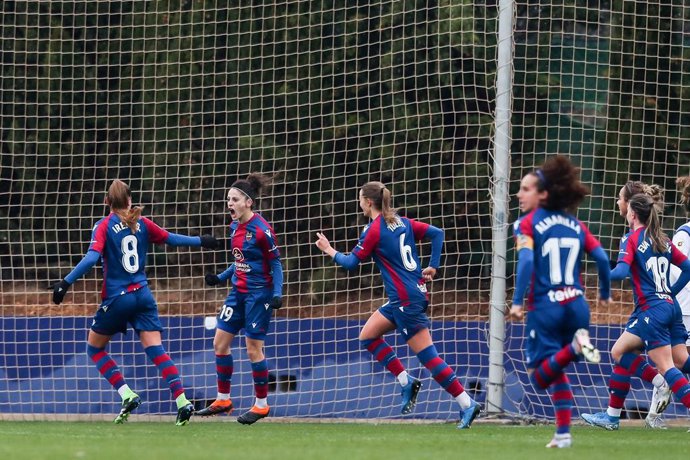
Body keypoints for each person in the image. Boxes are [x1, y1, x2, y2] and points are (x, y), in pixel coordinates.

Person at [51, 179, 219, 425]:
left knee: (94, 348)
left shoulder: (104, 225)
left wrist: (64, 283)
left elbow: (91, 258)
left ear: (106, 202)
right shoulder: (141, 222)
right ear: (129, 200)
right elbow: (170, 239)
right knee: (156, 350)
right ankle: (182, 400)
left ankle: (127, 394)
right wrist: (201, 241)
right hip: (143, 295)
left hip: (118, 298)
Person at [314, 181, 480, 429]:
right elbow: (437, 233)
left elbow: (350, 264)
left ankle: (467, 403)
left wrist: (328, 249)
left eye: (360, 198)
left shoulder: (374, 230)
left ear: (368, 202)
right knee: (368, 336)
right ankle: (406, 381)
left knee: (429, 357)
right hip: (406, 296)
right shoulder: (400, 222)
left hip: (406, 300)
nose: (359, 202)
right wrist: (433, 265)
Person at [509, 155, 611, 449]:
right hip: (578, 306)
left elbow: (526, 260)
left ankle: (575, 347)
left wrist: (517, 302)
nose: (519, 194)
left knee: (539, 377)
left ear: (543, 193)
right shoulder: (574, 224)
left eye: (525, 189)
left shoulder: (526, 223)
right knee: (557, 371)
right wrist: (605, 292)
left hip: (547, 307)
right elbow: (602, 258)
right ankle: (564, 434)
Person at [582, 193, 690, 430]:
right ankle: (612, 417)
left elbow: (620, 273)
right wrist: (669, 292)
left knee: (667, 368)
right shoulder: (661, 239)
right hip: (670, 307)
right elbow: (688, 268)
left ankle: (658, 380)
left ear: (632, 213)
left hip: (652, 310)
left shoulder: (631, 238)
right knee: (674, 359)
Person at [197, 173, 283, 425]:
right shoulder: (234, 227)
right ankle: (223, 399)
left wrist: (277, 294)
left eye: (234, 199)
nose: (229, 204)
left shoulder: (262, 231)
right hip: (237, 294)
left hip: (259, 296)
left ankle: (261, 405)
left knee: (253, 349)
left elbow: (276, 264)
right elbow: (240, 262)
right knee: (219, 344)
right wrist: (221, 277)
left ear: (249, 202)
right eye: (228, 200)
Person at [671, 176, 690, 355]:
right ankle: (661, 384)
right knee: (679, 359)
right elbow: (676, 268)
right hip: (685, 307)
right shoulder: (684, 234)